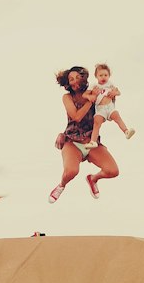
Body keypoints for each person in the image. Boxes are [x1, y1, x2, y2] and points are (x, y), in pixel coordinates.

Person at [49, 66, 120, 202]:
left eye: (77, 78)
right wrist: (90, 101)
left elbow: (106, 108)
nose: (74, 81)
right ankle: (61, 185)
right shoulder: (67, 97)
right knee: (71, 171)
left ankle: (92, 179)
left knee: (113, 170)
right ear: (68, 83)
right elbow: (76, 117)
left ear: (84, 79)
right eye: (71, 79)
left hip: (91, 142)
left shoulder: (94, 92)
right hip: (72, 141)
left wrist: (112, 94)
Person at [88, 62, 135, 148]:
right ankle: (93, 141)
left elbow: (118, 92)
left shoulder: (110, 84)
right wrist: (91, 96)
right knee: (96, 123)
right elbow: (86, 94)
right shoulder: (94, 86)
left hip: (110, 107)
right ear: (96, 76)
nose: (103, 77)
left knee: (117, 117)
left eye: (106, 75)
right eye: (101, 75)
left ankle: (126, 131)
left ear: (109, 76)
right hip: (100, 108)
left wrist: (114, 93)